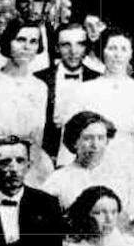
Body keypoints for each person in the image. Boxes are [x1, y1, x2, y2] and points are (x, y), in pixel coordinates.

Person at [60, 27, 134, 169]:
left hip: (133, 160)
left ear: (131, 54)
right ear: (102, 52)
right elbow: (69, 135)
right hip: (92, 160)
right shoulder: (84, 90)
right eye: (112, 48)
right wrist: (66, 168)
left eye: (123, 49)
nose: (117, 55)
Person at [0, 18, 55, 185]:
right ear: (8, 42)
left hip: (32, 166)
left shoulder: (40, 87)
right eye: (20, 40)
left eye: (33, 42)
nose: (26, 47)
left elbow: (38, 137)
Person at [42, 111, 134, 220]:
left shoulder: (120, 175)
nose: (95, 145)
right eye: (87, 138)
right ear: (74, 142)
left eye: (100, 138)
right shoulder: (58, 180)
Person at [34, 23, 101, 162]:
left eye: (80, 44)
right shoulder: (40, 79)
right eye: (66, 45)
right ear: (57, 48)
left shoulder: (98, 79)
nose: (73, 51)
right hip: (47, 157)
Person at [15, 0, 54, 72]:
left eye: (37, 1)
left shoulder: (52, 35)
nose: (31, 7)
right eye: (25, 2)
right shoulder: (8, 35)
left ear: (46, 5)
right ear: (17, 6)